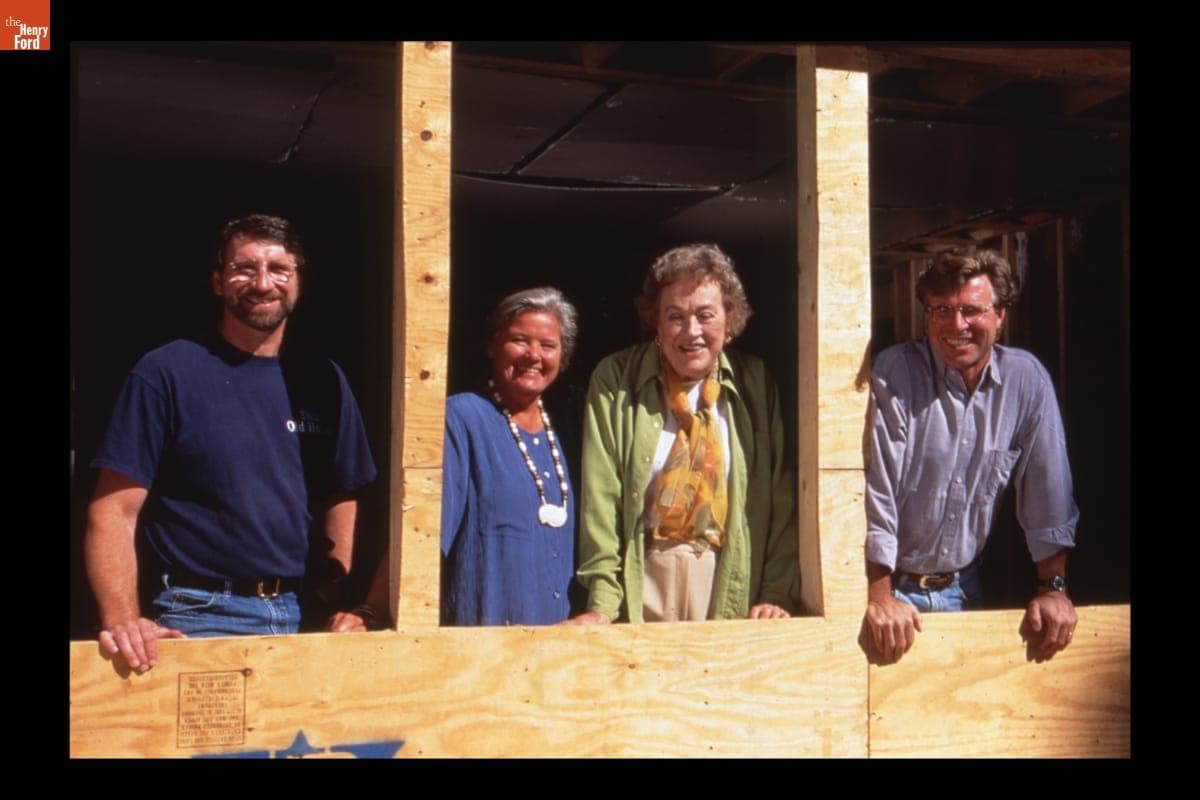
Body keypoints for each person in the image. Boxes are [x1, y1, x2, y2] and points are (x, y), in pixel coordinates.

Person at [85, 213, 377, 673]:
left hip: (306, 616)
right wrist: (122, 619)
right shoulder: (166, 372)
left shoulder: (323, 379)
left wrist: (333, 586)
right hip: (201, 614)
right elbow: (113, 510)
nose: (263, 283)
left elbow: (345, 489)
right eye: (244, 268)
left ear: (298, 282)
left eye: (279, 269)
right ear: (218, 281)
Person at [564, 244, 799, 625]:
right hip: (643, 582)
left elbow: (781, 496)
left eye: (705, 315)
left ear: (729, 319)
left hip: (731, 582)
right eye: (675, 317)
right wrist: (603, 604)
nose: (692, 332)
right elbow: (600, 497)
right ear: (656, 322)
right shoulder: (616, 379)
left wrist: (775, 592)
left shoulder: (755, 382)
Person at [863, 249, 1079, 663]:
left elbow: (1048, 490)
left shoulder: (1025, 381)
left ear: (1000, 315)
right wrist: (880, 596)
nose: (956, 325)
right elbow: (878, 493)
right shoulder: (897, 372)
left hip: (964, 589)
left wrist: (1053, 590)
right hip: (891, 593)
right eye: (941, 310)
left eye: (971, 310)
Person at [328, 287, 578, 631]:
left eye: (548, 345)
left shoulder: (566, 428)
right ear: (492, 346)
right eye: (519, 340)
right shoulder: (461, 418)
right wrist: (372, 609)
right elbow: (422, 531)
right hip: (481, 645)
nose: (533, 355)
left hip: (560, 647)